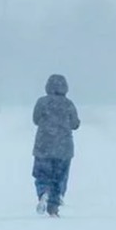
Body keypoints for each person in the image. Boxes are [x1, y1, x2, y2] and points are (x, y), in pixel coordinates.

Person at [31, 74, 80, 217]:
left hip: (43, 146)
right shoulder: (68, 104)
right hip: (63, 148)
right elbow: (74, 124)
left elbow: (36, 120)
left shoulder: (41, 102)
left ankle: (43, 192)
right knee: (59, 176)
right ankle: (54, 204)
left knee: (42, 174)